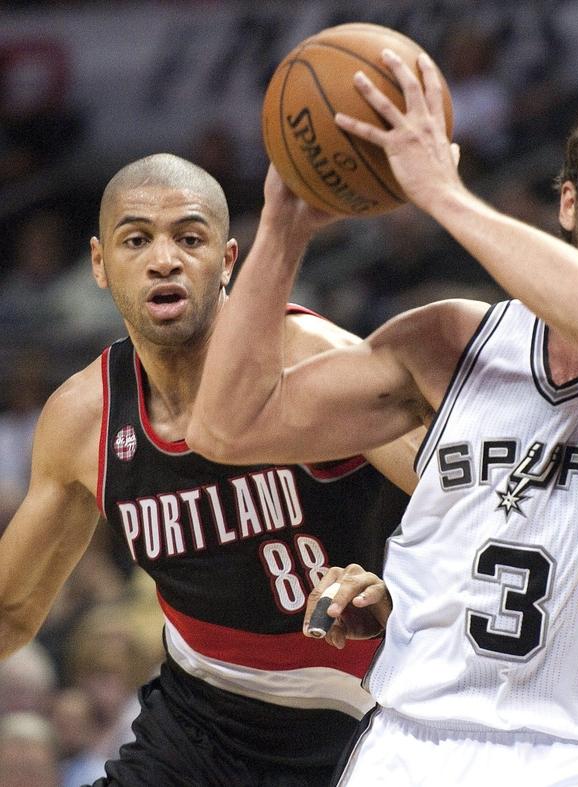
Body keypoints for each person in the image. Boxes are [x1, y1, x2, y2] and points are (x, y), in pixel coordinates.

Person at [187, 52, 578, 786]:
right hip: (409, 746)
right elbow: (226, 427)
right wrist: (284, 226)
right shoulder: (450, 342)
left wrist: (443, 194)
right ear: (569, 205)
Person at [0, 152, 418, 786]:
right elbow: (11, 610)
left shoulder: (318, 363)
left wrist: (403, 591)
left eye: (189, 239)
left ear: (227, 261)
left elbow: (478, 505)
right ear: (99, 264)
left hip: (370, 712)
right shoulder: (85, 417)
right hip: (201, 725)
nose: (164, 259)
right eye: (136, 240)